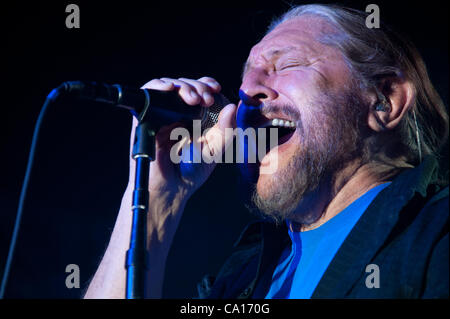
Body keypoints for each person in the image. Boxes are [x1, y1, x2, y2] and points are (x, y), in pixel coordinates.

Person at [84, 4, 449, 299]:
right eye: (246, 77)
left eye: (285, 65)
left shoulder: (435, 235)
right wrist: (155, 197)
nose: (246, 91)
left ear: (385, 100)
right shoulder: (240, 280)